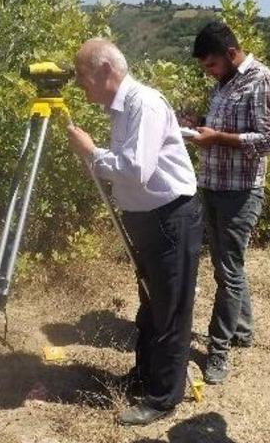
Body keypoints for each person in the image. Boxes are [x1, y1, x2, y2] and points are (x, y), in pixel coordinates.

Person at [66, 38, 203, 426]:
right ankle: (145, 376)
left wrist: (92, 153)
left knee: (171, 309)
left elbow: (135, 170)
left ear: (106, 70)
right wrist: (95, 159)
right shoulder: (119, 109)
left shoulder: (144, 103)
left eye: (83, 76)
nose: (80, 85)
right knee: (150, 304)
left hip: (170, 217)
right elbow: (129, 170)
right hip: (147, 219)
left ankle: (163, 397)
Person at [186, 21, 270, 384]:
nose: (208, 72)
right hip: (211, 184)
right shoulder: (223, 85)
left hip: (240, 192)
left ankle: (218, 350)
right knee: (227, 266)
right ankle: (242, 331)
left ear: (230, 54)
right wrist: (198, 124)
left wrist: (218, 139)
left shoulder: (263, 80)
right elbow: (220, 127)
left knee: (227, 271)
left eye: (211, 65)